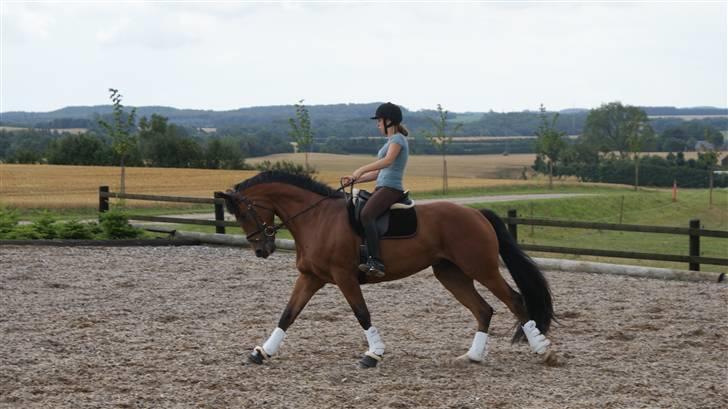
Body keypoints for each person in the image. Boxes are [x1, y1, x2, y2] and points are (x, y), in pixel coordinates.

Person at [342, 102, 409, 278]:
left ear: (389, 121)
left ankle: (376, 261)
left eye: (379, 120)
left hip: (391, 188)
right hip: (382, 186)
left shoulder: (398, 139)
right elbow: (379, 172)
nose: (377, 124)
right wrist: (357, 179)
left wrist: (361, 169)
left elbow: (387, 162)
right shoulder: (390, 141)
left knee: (367, 214)